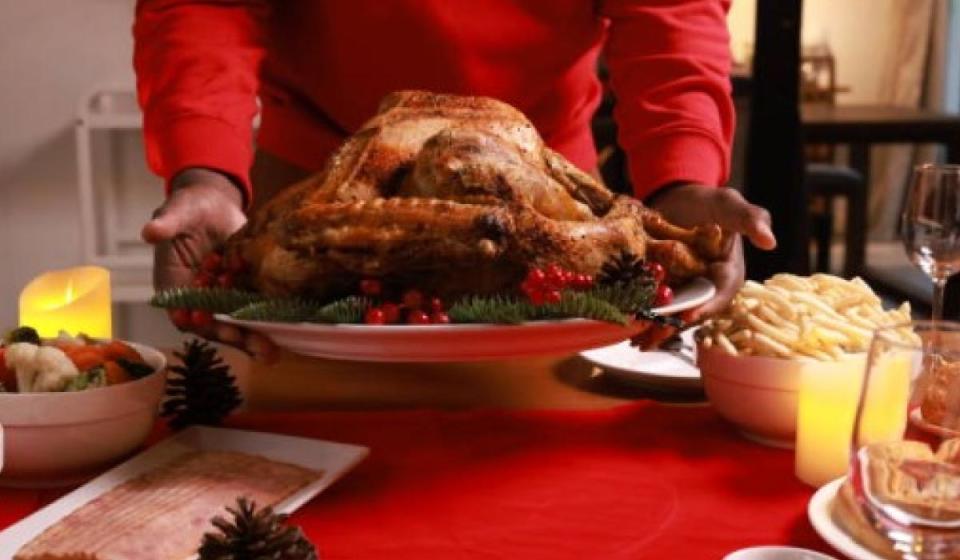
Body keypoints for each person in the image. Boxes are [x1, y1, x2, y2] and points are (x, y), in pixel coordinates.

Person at [135, 0, 776, 358]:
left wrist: (680, 178)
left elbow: (670, 11)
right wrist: (207, 171)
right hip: (320, 198)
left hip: (550, 215)